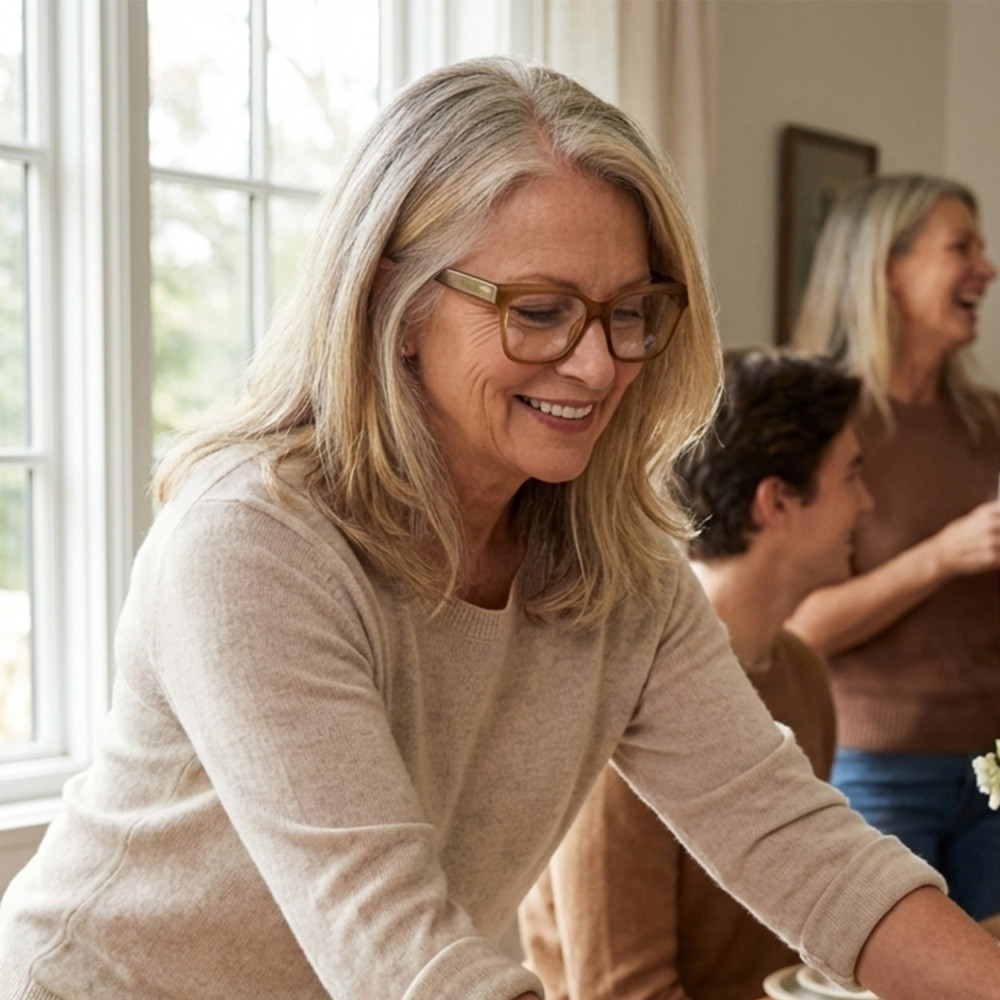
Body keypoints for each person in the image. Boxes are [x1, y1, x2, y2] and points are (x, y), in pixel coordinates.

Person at [1, 59, 999, 1000]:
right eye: (539, 310)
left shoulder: (618, 570)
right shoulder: (249, 543)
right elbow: (401, 953)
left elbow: (794, 841)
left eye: (627, 312)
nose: (598, 364)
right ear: (393, 301)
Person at [520, 350, 872, 1000]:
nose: (868, 503)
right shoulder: (628, 699)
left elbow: (804, 924)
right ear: (778, 503)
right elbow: (621, 990)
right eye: (852, 476)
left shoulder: (800, 671)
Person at [789, 172, 1000, 921]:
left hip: (992, 775)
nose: (987, 268)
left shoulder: (986, 422)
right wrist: (944, 554)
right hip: (876, 773)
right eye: (961, 247)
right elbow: (799, 631)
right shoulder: (824, 425)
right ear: (889, 270)